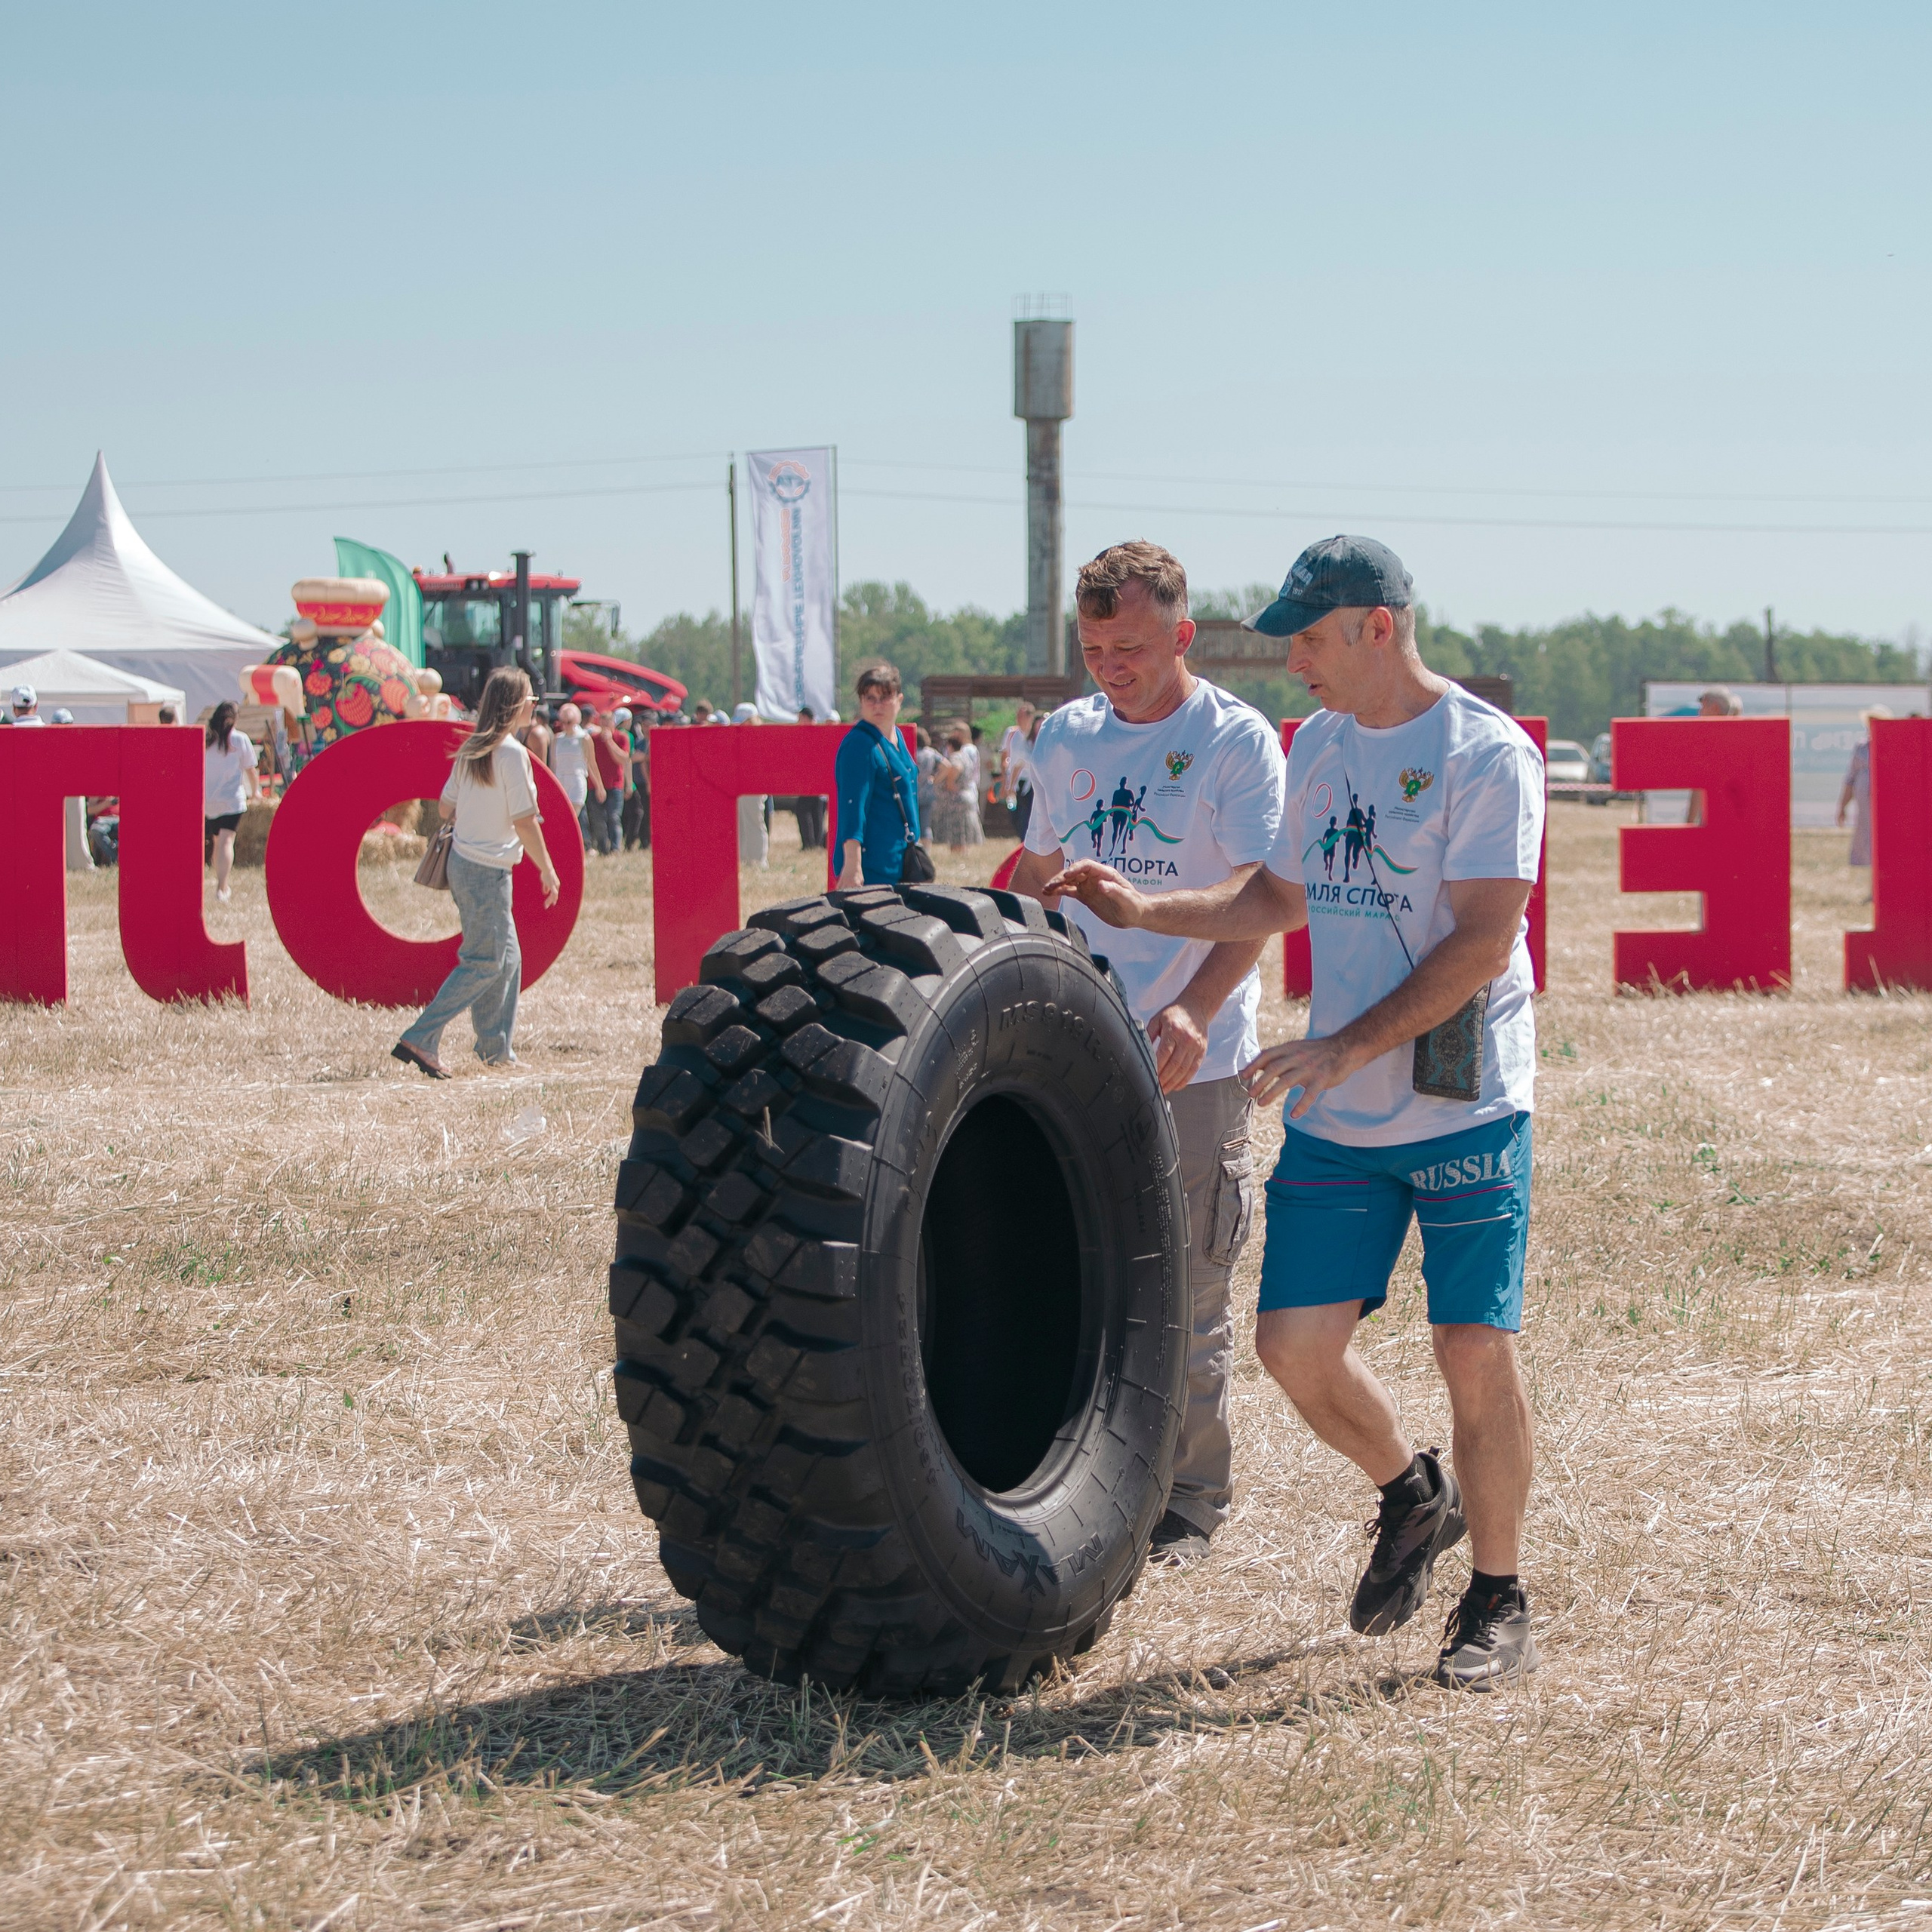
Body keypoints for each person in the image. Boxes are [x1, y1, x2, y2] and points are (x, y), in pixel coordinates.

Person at [1051, 534, 1545, 1688]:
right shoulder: (1316, 745)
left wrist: (1344, 1043)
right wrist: (1147, 908)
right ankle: (1413, 1493)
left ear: (1379, 627)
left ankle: (1498, 1596)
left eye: (1311, 639)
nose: (1295, 663)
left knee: (1472, 1348)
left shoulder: (1486, 754)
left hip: (1467, 1102)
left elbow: (1485, 939)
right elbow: (1275, 893)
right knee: (1293, 1349)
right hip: (1342, 1110)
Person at [1011, 540, 1285, 1566]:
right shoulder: (1066, 737)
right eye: (1093, 650)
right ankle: (1079, 1479)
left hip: (1191, 1060)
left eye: (1129, 648)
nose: (1110, 668)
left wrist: (1197, 1009)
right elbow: (1037, 872)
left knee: (1187, 1285)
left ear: (1183, 635)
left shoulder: (1235, 741)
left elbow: (1263, 898)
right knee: (1069, 1267)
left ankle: (1190, 1500)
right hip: (1076, 1046)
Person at [393, 666, 560, 1078]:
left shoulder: (473, 749)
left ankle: (494, 1049)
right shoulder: (512, 754)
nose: (535, 706)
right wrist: (548, 869)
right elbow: (525, 821)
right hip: (488, 871)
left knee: (508, 958)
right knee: (485, 961)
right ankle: (421, 1037)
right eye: (531, 699)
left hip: (464, 864)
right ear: (516, 705)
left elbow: (445, 808)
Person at [834, 662, 921, 887]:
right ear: (861, 702)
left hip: (900, 862)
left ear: (899, 700)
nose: (877, 705)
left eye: (885, 697)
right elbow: (853, 807)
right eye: (870, 698)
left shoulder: (897, 737)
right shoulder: (859, 744)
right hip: (872, 867)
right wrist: (852, 865)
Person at [202, 700, 257, 903]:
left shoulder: (206, 740)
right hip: (232, 799)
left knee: (218, 842)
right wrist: (256, 791)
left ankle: (220, 881)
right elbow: (250, 769)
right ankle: (222, 887)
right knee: (226, 842)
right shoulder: (240, 740)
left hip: (209, 800)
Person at [1839, 705, 1890, 875]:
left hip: (1884, 801)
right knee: (1865, 832)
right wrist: (1842, 806)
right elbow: (1850, 778)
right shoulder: (1861, 746)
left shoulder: (1890, 745)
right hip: (1864, 802)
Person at [549, 702, 601, 845]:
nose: (565, 725)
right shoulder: (556, 739)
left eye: (569, 722)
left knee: (571, 818)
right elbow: (553, 765)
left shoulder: (584, 738)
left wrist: (599, 786)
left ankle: (571, 846)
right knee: (561, 820)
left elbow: (592, 764)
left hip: (577, 781)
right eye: (563, 722)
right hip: (560, 781)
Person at [930, 718, 985, 850]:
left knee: (959, 829)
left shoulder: (967, 750)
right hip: (965, 790)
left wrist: (949, 782)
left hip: (962, 791)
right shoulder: (964, 751)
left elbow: (957, 767)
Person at [731, 703, 771, 866]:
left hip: (755, 785)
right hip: (740, 784)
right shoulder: (738, 738)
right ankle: (743, 858)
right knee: (741, 822)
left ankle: (758, 860)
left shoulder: (760, 739)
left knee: (754, 820)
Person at [591, 709, 629, 855]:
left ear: (613, 723)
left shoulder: (622, 738)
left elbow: (623, 759)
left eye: (608, 723)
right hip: (595, 784)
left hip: (615, 784)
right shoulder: (593, 739)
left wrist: (610, 742)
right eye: (603, 723)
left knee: (614, 817)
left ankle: (615, 848)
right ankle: (603, 848)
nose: (605, 726)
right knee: (598, 819)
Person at [1000, 700, 1038, 838]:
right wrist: (1005, 780)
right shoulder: (1011, 733)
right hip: (1014, 781)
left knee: (1026, 816)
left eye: (1022, 716)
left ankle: (1025, 842)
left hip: (1030, 781)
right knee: (1014, 815)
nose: (1019, 719)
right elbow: (1005, 756)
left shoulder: (1036, 735)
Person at [792, 707, 829, 850]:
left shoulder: (811, 733)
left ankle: (809, 843)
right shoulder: (819, 732)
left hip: (812, 780)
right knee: (816, 812)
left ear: (805, 717)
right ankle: (816, 842)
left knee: (805, 810)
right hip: (816, 779)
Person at [624, 713, 653, 850]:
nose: (645, 729)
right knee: (642, 812)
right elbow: (632, 757)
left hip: (654, 783)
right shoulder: (640, 742)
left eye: (648, 725)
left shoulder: (657, 740)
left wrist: (645, 757)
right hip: (639, 782)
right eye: (643, 726)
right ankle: (643, 840)